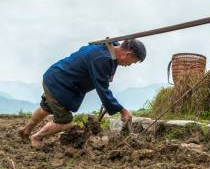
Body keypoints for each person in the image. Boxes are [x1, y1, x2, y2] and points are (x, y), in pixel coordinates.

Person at [18, 39, 146, 147]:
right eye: (133, 62)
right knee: (65, 121)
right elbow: (103, 90)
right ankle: (36, 138)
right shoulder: (102, 59)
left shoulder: (108, 45)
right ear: (127, 54)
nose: (130, 65)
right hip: (60, 85)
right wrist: (121, 110)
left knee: (46, 107)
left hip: (55, 76)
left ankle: (26, 131)